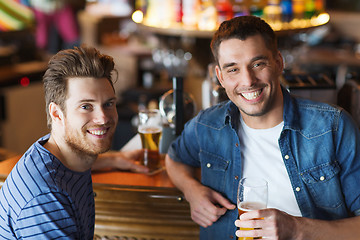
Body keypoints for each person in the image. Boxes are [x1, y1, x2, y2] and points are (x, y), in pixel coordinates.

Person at [165, 15, 360, 240]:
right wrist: (192, 191)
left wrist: (297, 229)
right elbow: (175, 158)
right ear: (219, 76)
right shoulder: (207, 125)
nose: (248, 81)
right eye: (233, 69)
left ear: (278, 62)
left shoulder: (333, 127)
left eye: (258, 64)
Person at [0, 46, 147, 239]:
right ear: (56, 113)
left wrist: (114, 159)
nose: (103, 118)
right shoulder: (45, 198)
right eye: (86, 106)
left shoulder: (59, 153)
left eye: (108, 104)